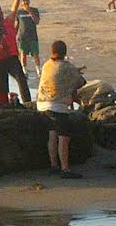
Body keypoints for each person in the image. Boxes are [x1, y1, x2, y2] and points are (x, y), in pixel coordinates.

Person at [36, 40, 87, 179]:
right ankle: (65, 168)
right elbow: (81, 82)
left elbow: (56, 75)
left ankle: (54, 165)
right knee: (63, 137)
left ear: (52, 52)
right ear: (65, 53)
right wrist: (76, 72)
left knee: (52, 135)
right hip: (57, 106)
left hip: (42, 104)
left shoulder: (46, 65)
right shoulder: (67, 67)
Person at [16, 0, 41, 76]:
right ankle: (24, 70)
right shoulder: (19, 12)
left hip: (33, 36)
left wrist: (30, 12)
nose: (26, 4)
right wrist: (14, 34)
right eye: (24, 2)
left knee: (35, 54)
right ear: (21, 3)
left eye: (27, 2)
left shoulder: (34, 10)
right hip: (22, 37)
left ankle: (38, 70)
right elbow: (17, 25)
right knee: (23, 54)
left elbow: (37, 21)